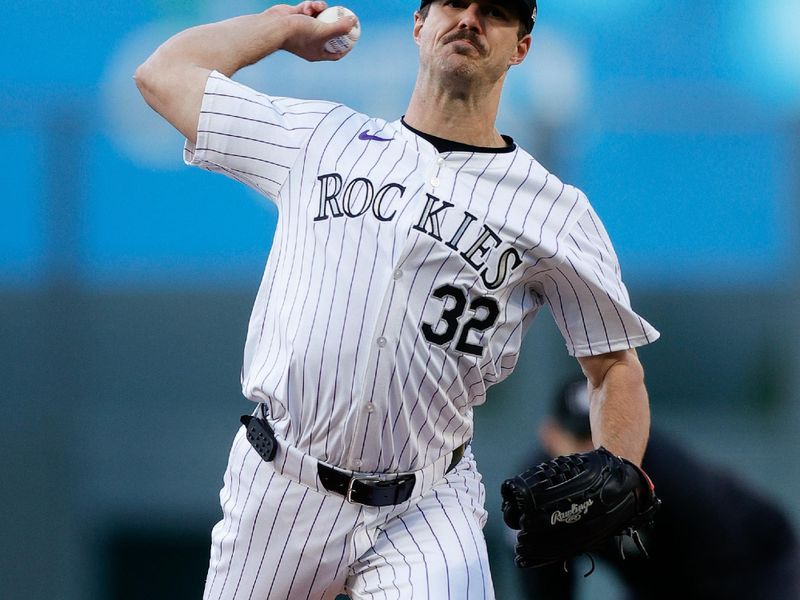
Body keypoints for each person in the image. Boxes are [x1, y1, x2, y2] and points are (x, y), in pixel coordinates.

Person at [134, 1, 660, 598]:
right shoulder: (318, 138)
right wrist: (282, 27)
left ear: (521, 48)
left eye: (493, 11)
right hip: (282, 487)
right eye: (453, 3)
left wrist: (619, 465)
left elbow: (614, 367)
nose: (468, 19)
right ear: (418, 23)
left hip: (428, 503)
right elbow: (164, 73)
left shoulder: (554, 211)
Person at [518, 378, 800, 600]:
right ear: (551, 438)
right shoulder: (539, 498)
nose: (591, 450)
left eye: (600, 434)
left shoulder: (663, 474)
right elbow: (545, 589)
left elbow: (712, 575)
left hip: (755, 566)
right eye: (580, 437)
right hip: (659, 579)